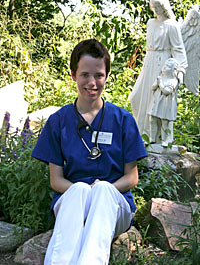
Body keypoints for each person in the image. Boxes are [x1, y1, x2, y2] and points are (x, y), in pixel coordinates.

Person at [31, 39, 147, 265]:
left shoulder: (123, 120)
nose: (92, 82)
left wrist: (99, 193)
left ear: (107, 76)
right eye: (85, 75)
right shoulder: (58, 122)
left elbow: (131, 178)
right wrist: (85, 191)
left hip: (114, 205)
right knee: (79, 190)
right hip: (73, 203)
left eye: (99, 75)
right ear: (73, 74)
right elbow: (56, 181)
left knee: (103, 189)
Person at [129, 0, 187, 140]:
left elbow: (178, 49)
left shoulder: (172, 25)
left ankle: (156, 138)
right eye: (153, 6)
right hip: (149, 62)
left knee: (157, 104)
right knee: (135, 97)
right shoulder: (150, 23)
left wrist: (179, 73)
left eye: (159, 5)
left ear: (164, 6)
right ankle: (142, 135)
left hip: (163, 66)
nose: (156, 9)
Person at [148, 58, 179, 147]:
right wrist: (156, 83)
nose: (165, 67)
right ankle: (152, 138)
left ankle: (165, 140)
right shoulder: (160, 77)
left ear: (173, 70)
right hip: (156, 103)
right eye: (165, 65)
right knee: (152, 119)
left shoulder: (173, 80)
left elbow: (166, 91)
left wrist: (160, 83)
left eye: (168, 66)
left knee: (165, 123)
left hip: (166, 105)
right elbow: (153, 88)